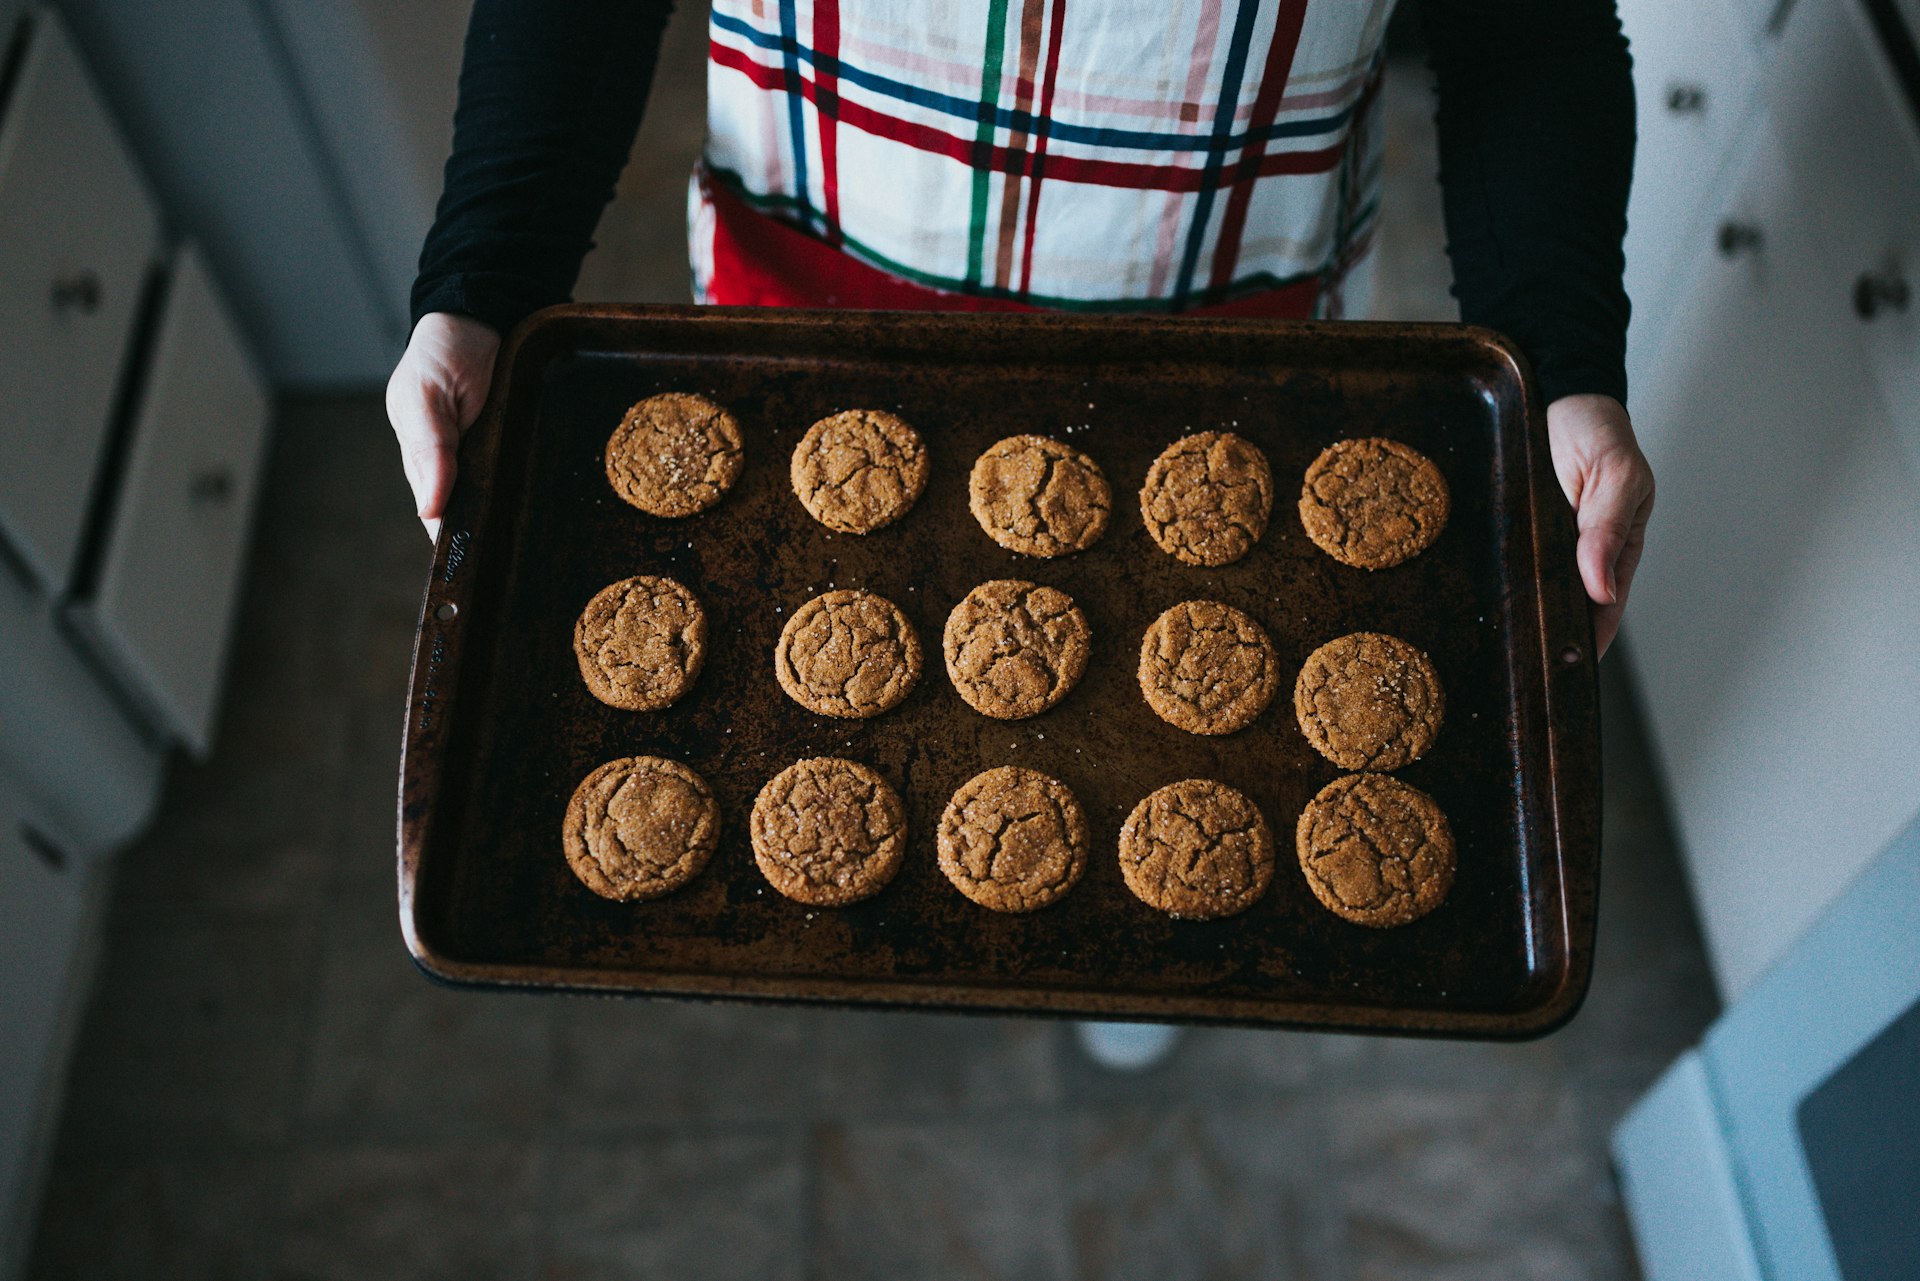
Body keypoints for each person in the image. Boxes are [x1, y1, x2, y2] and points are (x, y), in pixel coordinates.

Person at [388, 0, 1655, 1068]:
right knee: (818, 609)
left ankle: (1135, 977)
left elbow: (1529, 22)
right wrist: (486, 279)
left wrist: (1560, 354)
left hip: (1231, 347)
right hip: (813, 304)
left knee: (1150, 840)